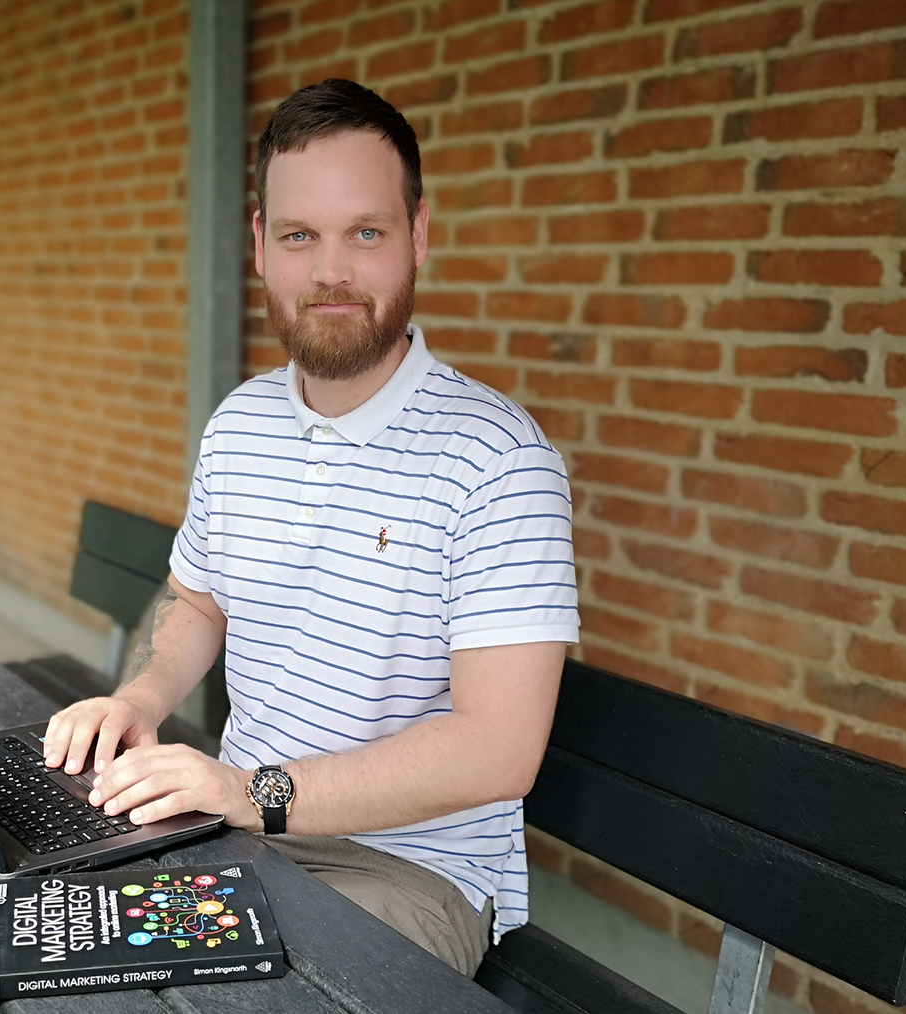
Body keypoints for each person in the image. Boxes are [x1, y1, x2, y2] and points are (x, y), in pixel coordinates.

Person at [44, 78, 578, 976]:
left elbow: (499, 748)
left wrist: (251, 793)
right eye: (300, 235)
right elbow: (197, 607)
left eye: (365, 232)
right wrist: (137, 703)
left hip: (410, 870)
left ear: (419, 235)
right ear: (260, 245)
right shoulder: (240, 423)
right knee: (47, 934)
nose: (331, 272)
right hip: (234, 828)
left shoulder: (499, 460)